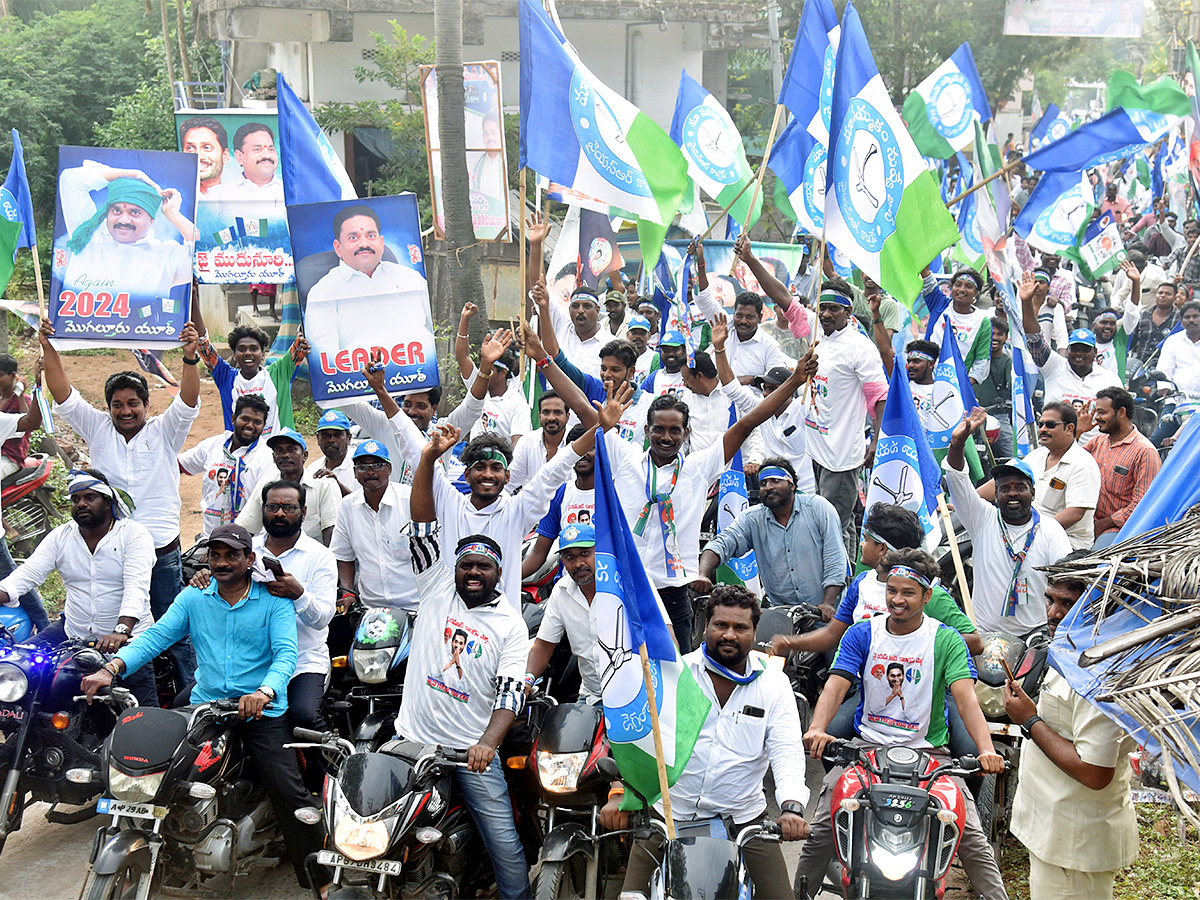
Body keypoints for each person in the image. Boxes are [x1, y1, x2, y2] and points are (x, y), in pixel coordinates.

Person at [79, 524, 330, 895]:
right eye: (215, 555)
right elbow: (156, 637)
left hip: (261, 711)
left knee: (289, 793)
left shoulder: (273, 600)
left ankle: (320, 880)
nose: (222, 562)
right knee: (163, 770)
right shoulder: (193, 597)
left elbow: (286, 655)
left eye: (232, 555)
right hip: (207, 705)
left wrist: (264, 691)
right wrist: (111, 668)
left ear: (249, 559)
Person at [795, 549, 1009, 900]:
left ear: (927, 595)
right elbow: (836, 684)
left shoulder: (946, 639)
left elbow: (966, 699)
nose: (897, 599)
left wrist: (986, 750)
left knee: (969, 834)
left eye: (908, 592)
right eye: (891, 590)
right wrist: (817, 728)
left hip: (932, 755)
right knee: (821, 828)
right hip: (866, 751)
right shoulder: (863, 633)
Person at [372, 349, 628, 611]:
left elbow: (560, 464)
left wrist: (601, 428)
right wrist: (382, 392)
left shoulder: (517, 510)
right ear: (467, 473)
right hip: (451, 624)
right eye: (479, 467)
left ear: (507, 476)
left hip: (504, 631)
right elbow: (417, 450)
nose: (487, 474)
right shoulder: (451, 503)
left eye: (496, 468)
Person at [601, 586, 811, 900]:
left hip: (744, 821)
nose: (729, 634)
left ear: (754, 633)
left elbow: (786, 748)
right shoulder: (675, 671)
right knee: (630, 896)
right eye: (720, 625)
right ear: (705, 627)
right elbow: (637, 735)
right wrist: (619, 793)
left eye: (740, 627)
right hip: (669, 814)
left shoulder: (774, 682)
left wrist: (792, 809)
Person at [600, 356, 814, 650]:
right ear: (647, 430)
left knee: (678, 672)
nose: (666, 437)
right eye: (659, 429)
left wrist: (794, 381)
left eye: (675, 430)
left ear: (686, 434)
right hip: (627, 583)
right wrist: (544, 358)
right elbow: (580, 406)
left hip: (673, 591)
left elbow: (750, 421)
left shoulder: (698, 466)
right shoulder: (625, 458)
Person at [39, 316, 201, 685]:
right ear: (108, 406)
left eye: (133, 404)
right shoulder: (96, 426)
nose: (125, 411)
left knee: (172, 627)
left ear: (146, 404)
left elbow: (189, 400)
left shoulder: (165, 430)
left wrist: (190, 358)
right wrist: (49, 346)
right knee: (115, 630)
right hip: (112, 553)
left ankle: (191, 695)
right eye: (117, 404)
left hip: (160, 552)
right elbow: (63, 394)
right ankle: (114, 692)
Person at [403, 450, 533, 900]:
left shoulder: (511, 624)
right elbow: (421, 524)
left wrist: (486, 745)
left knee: (503, 842)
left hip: (470, 752)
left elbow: (512, 692)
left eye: (484, 566)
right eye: (466, 565)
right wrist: (427, 459)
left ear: (499, 573)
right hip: (412, 741)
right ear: (453, 568)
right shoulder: (436, 588)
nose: (473, 572)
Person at [1004, 562, 1138, 899]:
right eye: (1050, 600)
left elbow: (1095, 772)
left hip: (1076, 844)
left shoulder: (1103, 673)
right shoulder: (1070, 650)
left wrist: (1029, 722)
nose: (1053, 612)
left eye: (1067, 603)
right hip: (1058, 833)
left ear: (1099, 606)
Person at [0, 469, 157, 706]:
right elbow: (25, 575)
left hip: (130, 640)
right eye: (75, 499)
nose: (81, 504)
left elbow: (136, 587)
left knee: (141, 720)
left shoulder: (134, 535)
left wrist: (121, 631)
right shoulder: (61, 537)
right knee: (17, 670)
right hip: (73, 632)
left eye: (89, 498)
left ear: (107, 501)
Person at [770, 502, 983, 658]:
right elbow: (833, 633)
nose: (861, 545)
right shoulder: (861, 583)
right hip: (860, 682)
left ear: (881, 548)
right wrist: (789, 642)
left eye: (866, 540)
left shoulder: (931, 594)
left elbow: (975, 643)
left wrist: (916, 644)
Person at [943, 408, 1072, 633]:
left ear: (1033, 493)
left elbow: (1064, 579)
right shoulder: (982, 518)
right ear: (996, 494)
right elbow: (957, 479)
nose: (1012, 493)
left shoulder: (1051, 530)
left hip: (1035, 636)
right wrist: (957, 444)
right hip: (985, 635)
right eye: (1004, 489)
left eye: (1020, 488)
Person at [340, 309, 493, 483]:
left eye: (420, 406)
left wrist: (486, 367)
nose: (411, 411)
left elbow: (473, 406)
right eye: (407, 404)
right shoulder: (384, 425)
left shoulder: (444, 432)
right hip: (395, 509)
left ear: (434, 409)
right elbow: (347, 403)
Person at [696, 457, 847, 612]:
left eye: (775, 481)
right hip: (780, 614)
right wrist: (702, 574)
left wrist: (828, 603)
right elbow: (722, 543)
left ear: (792, 485)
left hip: (825, 613)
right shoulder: (753, 519)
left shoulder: (818, 508)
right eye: (763, 483)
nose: (768, 487)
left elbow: (835, 558)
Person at [803, 280, 889, 549]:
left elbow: (880, 397)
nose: (826, 314)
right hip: (817, 450)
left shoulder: (859, 347)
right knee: (839, 522)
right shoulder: (821, 339)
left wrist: (876, 440)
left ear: (848, 311)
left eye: (834, 309)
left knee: (832, 526)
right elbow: (785, 302)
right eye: (823, 308)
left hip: (840, 457)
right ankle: (848, 574)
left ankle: (834, 585)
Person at [250, 481, 337, 733]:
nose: (279, 514)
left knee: (305, 716)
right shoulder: (247, 552)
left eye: (289, 507)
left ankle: (327, 771)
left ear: (304, 512)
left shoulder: (320, 556)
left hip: (303, 660)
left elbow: (322, 619)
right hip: (253, 659)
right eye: (273, 506)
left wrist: (298, 594)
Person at [303, 204, 433, 355]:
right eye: (353, 237)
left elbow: (433, 331)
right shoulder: (322, 293)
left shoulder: (410, 279)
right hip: (358, 376)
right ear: (338, 247)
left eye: (371, 236)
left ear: (381, 243)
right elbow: (325, 356)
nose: (364, 244)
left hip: (419, 372)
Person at [56, 160, 194, 302]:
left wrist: (173, 214)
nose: (124, 220)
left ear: (151, 220)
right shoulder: (88, 233)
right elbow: (70, 179)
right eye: (116, 211)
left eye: (134, 213)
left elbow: (202, 261)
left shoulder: (166, 255)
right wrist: (133, 174)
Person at [711, 314, 815, 493]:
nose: (767, 393)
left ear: (787, 389)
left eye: (773, 388)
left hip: (804, 491)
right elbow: (731, 385)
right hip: (771, 492)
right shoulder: (760, 409)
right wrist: (719, 348)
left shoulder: (804, 408)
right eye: (765, 388)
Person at [978, 401, 1100, 551]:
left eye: (1050, 425)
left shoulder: (1082, 464)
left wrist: (1032, 534)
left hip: (1065, 543)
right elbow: (1000, 482)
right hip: (1026, 536)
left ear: (1069, 428)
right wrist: (968, 500)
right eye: (1040, 424)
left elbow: (1075, 513)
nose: (1042, 429)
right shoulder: (1037, 456)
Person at [1020, 274, 1121, 441]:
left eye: (1085, 350)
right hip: (1055, 449)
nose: (1079, 354)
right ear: (1067, 350)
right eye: (1075, 349)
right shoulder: (1054, 366)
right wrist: (1026, 303)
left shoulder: (1110, 380)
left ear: (1095, 353)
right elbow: (1034, 337)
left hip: (1094, 453)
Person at [330, 441, 419, 612]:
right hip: (371, 608)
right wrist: (348, 592)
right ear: (355, 472)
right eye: (363, 467)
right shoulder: (347, 506)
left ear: (390, 469)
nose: (370, 472)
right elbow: (343, 556)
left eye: (377, 465)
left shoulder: (410, 500)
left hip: (416, 605)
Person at [523, 523, 606, 702]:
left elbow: (663, 633)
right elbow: (544, 645)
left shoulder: (625, 582)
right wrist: (527, 680)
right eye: (569, 557)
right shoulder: (561, 591)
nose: (578, 563)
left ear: (599, 551)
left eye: (585, 553)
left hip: (635, 697)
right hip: (592, 698)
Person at [192, 310, 308, 435]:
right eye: (242, 349)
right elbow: (203, 344)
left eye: (254, 348)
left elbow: (301, 340)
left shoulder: (279, 373)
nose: (248, 353)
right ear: (234, 356)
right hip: (241, 453)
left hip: (278, 452)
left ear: (263, 354)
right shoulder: (226, 378)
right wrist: (193, 296)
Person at [178, 394, 273, 537]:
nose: (250, 426)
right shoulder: (212, 446)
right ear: (234, 419)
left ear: (264, 426)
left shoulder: (267, 458)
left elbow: (265, 504)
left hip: (250, 542)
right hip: (210, 539)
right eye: (245, 419)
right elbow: (177, 465)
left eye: (257, 422)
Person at [1080, 387, 1161, 547]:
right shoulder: (1098, 441)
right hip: (1085, 522)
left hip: (1118, 529)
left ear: (1121, 412)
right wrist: (1077, 431)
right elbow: (1070, 464)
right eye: (1096, 412)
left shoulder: (1145, 451)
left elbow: (1141, 505)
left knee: (1095, 563)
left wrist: (1103, 524)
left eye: (1102, 412)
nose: (1096, 417)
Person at [0, 359, 47, 631]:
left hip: (13, 458)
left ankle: (47, 632)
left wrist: (40, 384)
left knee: (14, 583)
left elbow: (31, 421)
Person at [237, 428, 340, 545]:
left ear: (305, 456)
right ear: (273, 457)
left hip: (312, 559)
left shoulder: (324, 484)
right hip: (273, 555)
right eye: (279, 450)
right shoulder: (266, 485)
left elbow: (332, 531)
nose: (285, 455)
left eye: (291, 450)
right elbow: (246, 526)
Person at [520, 425, 596, 581]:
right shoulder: (559, 493)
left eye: (591, 448)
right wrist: (503, 578)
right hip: (569, 586)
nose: (583, 454)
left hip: (607, 587)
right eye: (579, 448)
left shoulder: (615, 492)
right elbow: (538, 554)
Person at [926, 269, 992, 384]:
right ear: (951, 288)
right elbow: (926, 275)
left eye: (969, 286)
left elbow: (982, 362)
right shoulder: (939, 304)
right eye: (958, 285)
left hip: (954, 386)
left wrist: (963, 386)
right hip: (924, 381)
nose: (962, 289)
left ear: (976, 293)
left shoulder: (982, 321)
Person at [1152, 299, 1200, 447]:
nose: (1191, 320)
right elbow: (1164, 369)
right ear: (1181, 320)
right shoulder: (1173, 341)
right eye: (1187, 317)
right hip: (1177, 402)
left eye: (1195, 316)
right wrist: (1164, 387)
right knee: (1155, 441)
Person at [507, 390, 568, 491]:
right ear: (539, 416)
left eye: (557, 412)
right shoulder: (527, 442)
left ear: (567, 416)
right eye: (546, 412)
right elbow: (510, 482)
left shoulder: (576, 440)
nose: (551, 418)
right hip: (534, 505)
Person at [210, 122, 283, 203]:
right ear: (239, 157)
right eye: (257, 149)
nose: (267, 155)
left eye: (271, 149)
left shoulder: (290, 193)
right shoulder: (217, 195)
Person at [974, 315, 1014, 459]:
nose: (994, 338)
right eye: (991, 333)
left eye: (999, 334)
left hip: (997, 414)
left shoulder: (1006, 361)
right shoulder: (973, 358)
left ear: (1006, 337)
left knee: (1009, 454)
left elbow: (1011, 388)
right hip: (972, 414)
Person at [307, 409, 357, 496]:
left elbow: (365, 506)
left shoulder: (360, 468)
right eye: (325, 435)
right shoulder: (312, 470)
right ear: (318, 438)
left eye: (337, 435)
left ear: (348, 438)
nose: (331, 440)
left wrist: (337, 485)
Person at [1128, 280, 1180, 362]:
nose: (1163, 296)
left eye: (1168, 294)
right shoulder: (1142, 315)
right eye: (1160, 293)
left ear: (1175, 298)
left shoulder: (1180, 319)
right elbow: (1131, 342)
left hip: (1167, 365)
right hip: (1140, 364)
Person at [0, 354, 33, 480]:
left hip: (10, 457)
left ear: (13, 376)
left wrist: (20, 396)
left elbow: (28, 423)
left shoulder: (24, 400)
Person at [179, 116, 229, 195]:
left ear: (225, 156)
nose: (199, 156)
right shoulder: (173, 199)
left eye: (207, 147)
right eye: (190, 148)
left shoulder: (244, 195)